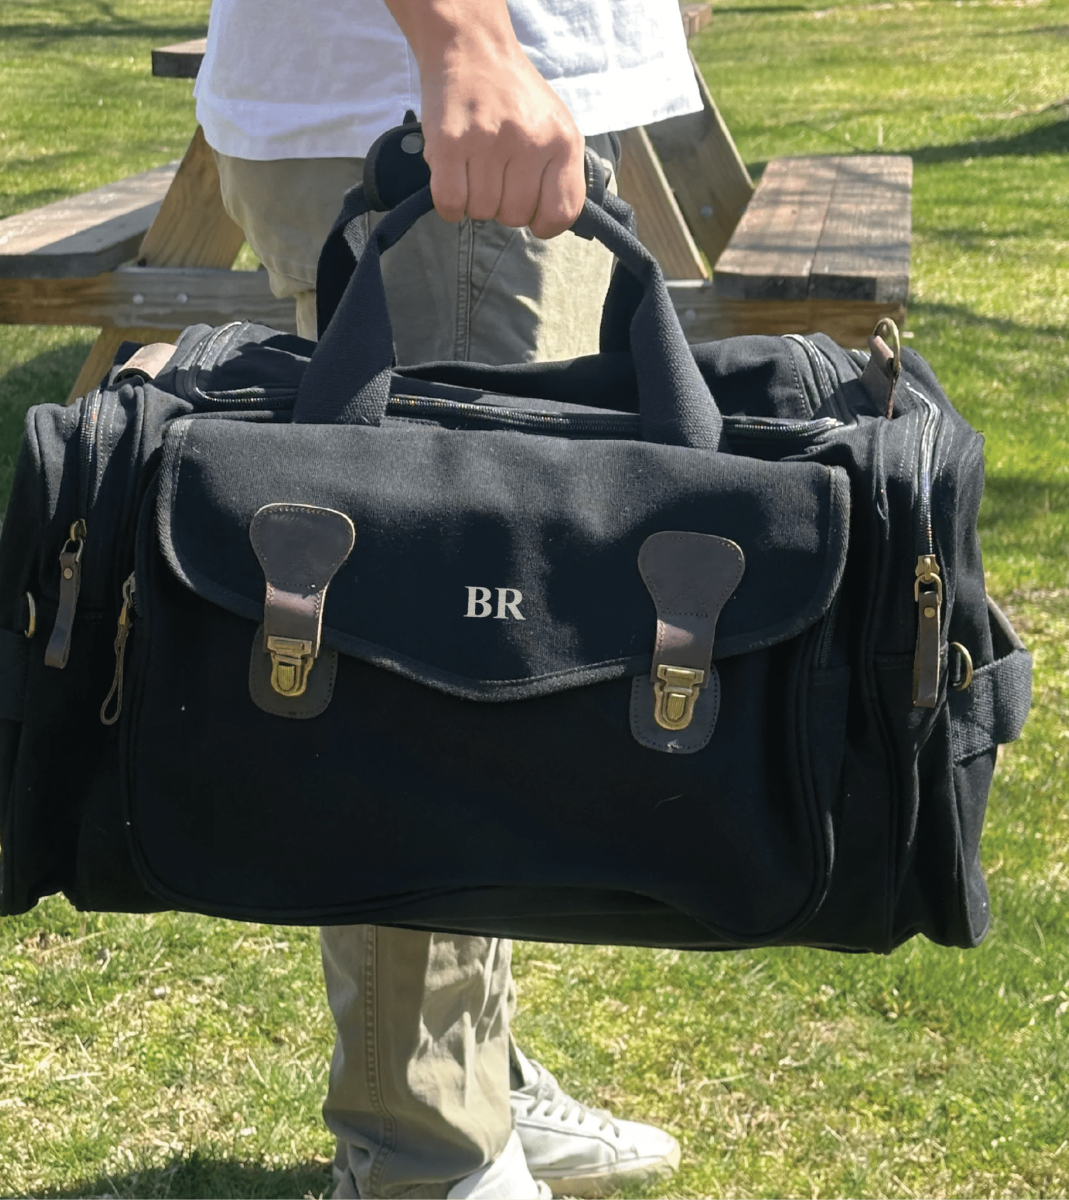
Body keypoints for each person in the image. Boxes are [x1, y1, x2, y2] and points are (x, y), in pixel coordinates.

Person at [194, 2, 703, 1195]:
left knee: (490, 650)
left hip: (491, 97)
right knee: (423, 665)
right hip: (453, 101)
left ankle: (474, 1083)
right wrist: (462, 37)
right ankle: (426, 1151)